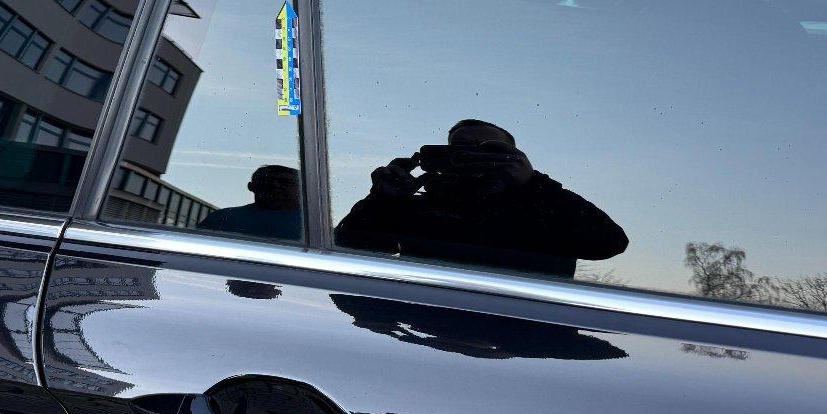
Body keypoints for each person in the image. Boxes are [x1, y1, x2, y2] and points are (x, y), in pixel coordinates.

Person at [335, 119, 627, 277]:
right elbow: (348, 248)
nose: (472, 155)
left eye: (487, 149)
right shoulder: (421, 208)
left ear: (513, 158)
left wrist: (534, 184)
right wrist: (381, 200)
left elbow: (609, 242)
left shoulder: (544, 208)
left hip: (525, 334)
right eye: (460, 148)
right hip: (428, 328)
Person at [198, 165, 302, 241]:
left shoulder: (310, 224)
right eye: (266, 181)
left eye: (285, 182)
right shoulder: (222, 219)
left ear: (302, 188)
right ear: (251, 187)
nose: (275, 185)